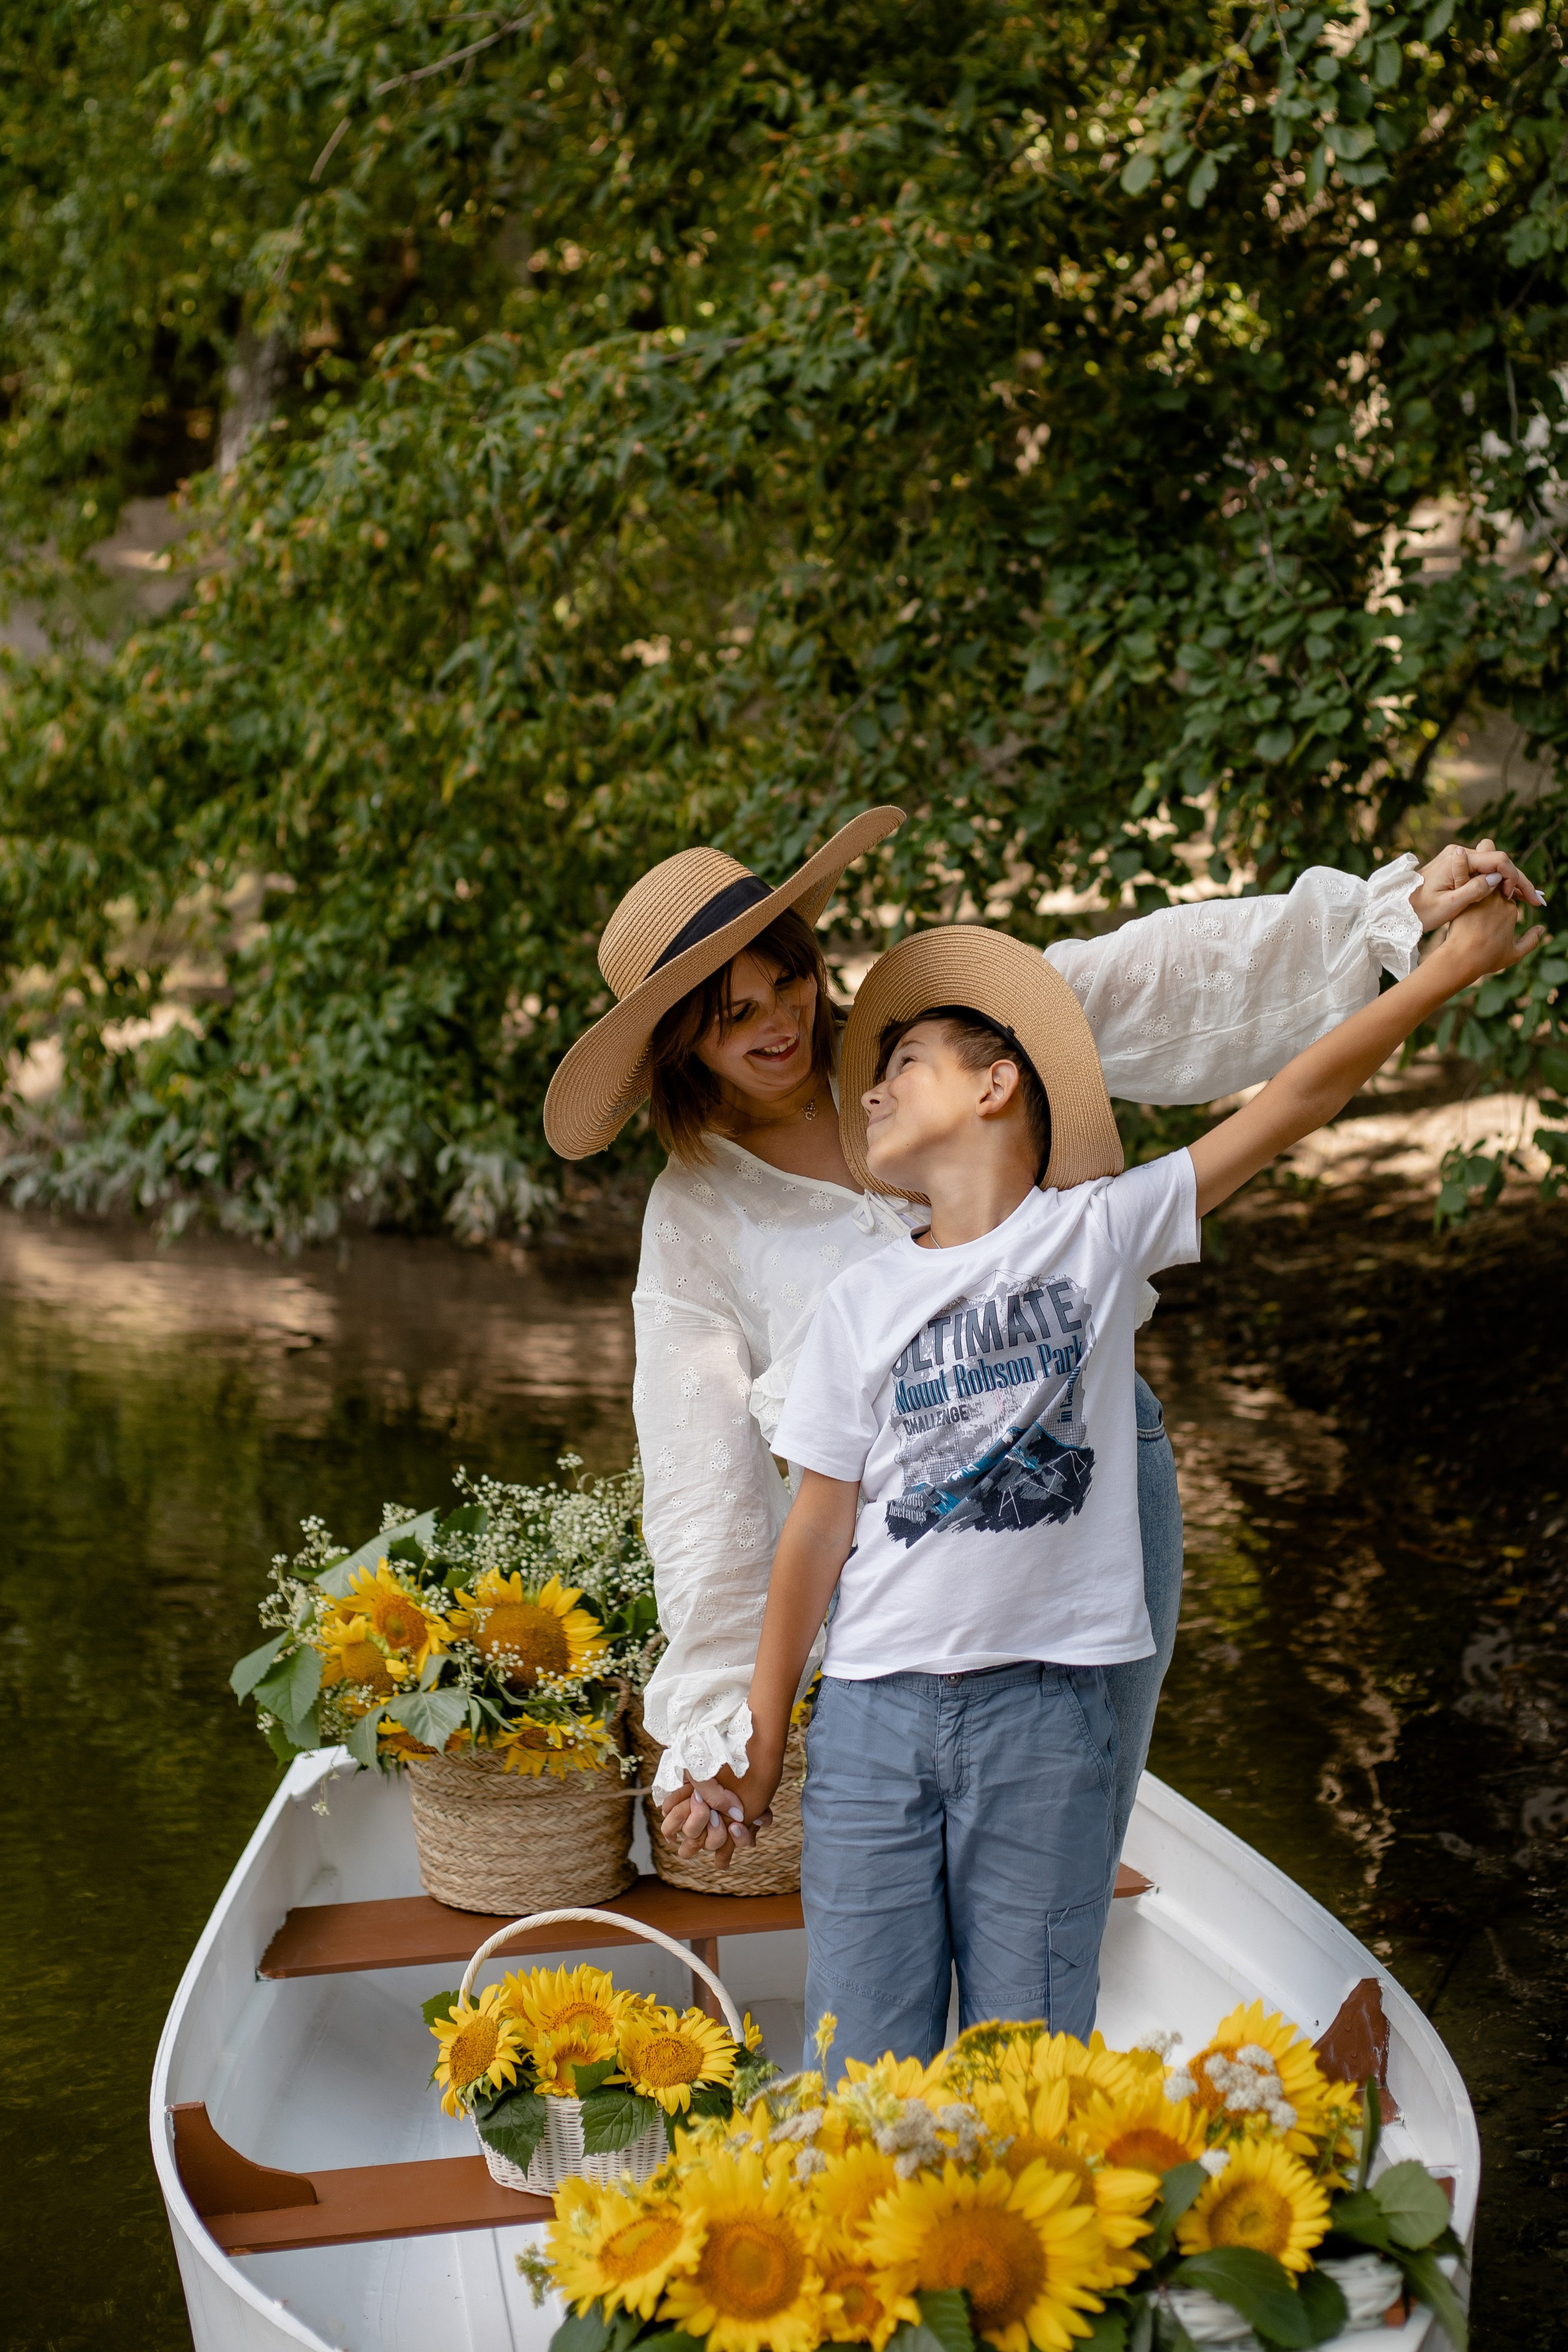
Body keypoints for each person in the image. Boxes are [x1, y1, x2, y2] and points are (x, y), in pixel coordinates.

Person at [540, 810, 1544, 1869]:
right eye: (734, 1015)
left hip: (1094, 1483)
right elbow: (700, 1477)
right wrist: (726, 1714)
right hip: (914, 1565)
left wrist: (1391, 910)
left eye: (788, 981)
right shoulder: (696, 1213)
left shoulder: (931, 1043)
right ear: (680, 1042)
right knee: (939, 1877)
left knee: (1069, 1848)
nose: (780, 1022)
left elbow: (1150, 976)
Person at [722, 880, 1542, 2069]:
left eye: (903, 1063)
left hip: (1043, 1714)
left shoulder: (1098, 1232)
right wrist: (761, 1737)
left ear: (997, 1083)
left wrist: (1443, 971)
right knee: (860, 2059)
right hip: (869, 1716)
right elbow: (814, 1529)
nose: (872, 1090)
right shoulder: (858, 1300)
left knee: (1028, 2059)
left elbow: (1298, 1097)